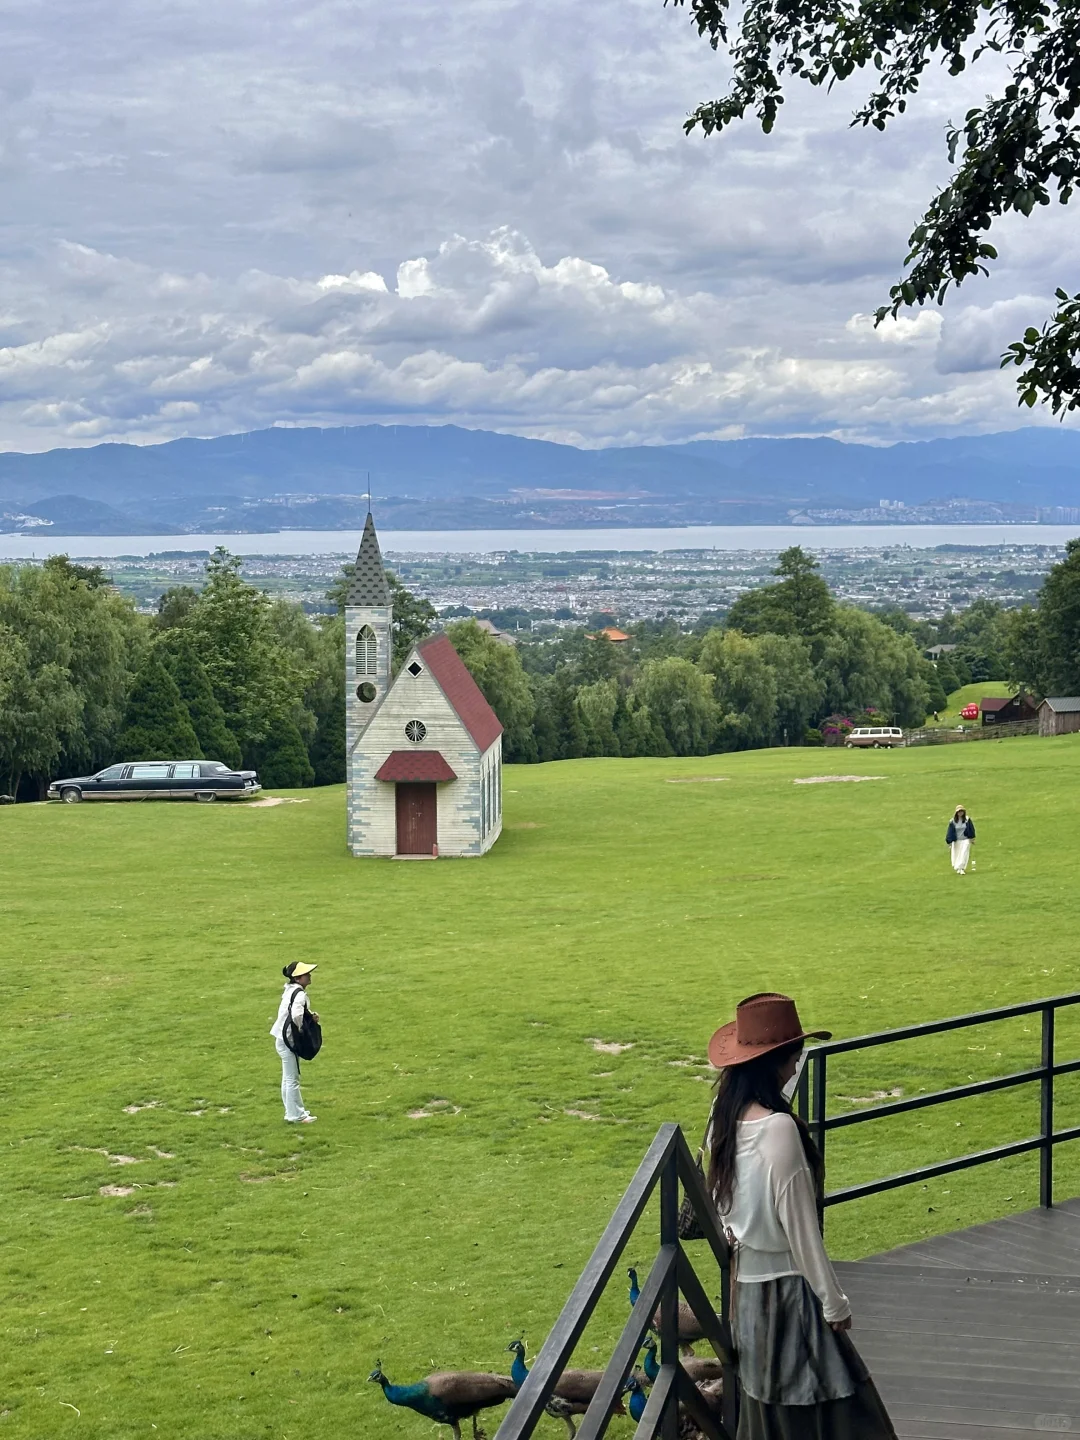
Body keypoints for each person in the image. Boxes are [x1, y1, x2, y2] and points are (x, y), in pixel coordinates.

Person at [706, 992, 898, 1440]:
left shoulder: (722, 1120)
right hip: (792, 1296)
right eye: (794, 1056)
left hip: (748, 1298)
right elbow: (801, 1231)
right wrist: (834, 1301)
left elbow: (721, 1209)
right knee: (838, 1412)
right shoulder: (778, 1129)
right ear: (774, 1062)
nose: (796, 1066)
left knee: (769, 1411)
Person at [271, 962, 319, 1123]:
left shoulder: (290, 990)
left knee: (288, 1078)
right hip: (289, 1040)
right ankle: (295, 1115)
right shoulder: (299, 994)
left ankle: (293, 1111)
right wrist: (302, 1030)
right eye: (306, 975)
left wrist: (310, 1016)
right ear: (298, 978)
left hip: (281, 1038)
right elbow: (296, 1015)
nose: (310, 976)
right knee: (292, 1079)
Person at [946, 805, 976, 875]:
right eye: (959, 812)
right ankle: (958, 868)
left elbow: (971, 829)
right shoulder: (952, 821)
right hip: (957, 841)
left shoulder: (967, 820)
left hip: (965, 840)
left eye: (961, 811)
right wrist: (949, 841)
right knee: (957, 854)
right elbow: (950, 832)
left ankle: (962, 868)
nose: (960, 813)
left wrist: (972, 838)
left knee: (964, 854)